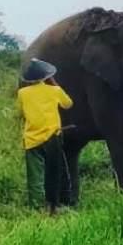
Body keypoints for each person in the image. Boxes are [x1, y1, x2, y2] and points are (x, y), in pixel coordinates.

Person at [17, 58, 74, 214]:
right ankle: (54, 205)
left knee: (35, 176)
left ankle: (36, 208)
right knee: (54, 171)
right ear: (46, 76)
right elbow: (68, 104)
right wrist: (54, 83)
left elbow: (20, 113)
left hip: (32, 139)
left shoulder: (22, 93)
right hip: (53, 137)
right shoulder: (54, 91)